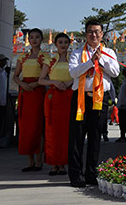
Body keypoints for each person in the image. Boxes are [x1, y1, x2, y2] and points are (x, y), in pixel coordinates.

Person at [68, 20, 120, 187]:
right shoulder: (77, 53)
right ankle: (76, 175)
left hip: (100, 99)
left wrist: (100, 60)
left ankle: (91, 173)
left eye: (97, 32)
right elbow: (73, 72)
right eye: (90, 31)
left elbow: (115, 72)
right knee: (77, 137)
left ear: (102, 34)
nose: (94, 35)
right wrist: (91, 61)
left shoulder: (109, 52)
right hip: (81, 98)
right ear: (86, 34)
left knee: (95, 136)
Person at [12, 28, 49, 172]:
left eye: (37, 37)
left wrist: (34, 84)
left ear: (41, 39)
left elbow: (46, 76)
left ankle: (39, 161)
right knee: (26, 127)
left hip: (38, 92)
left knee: (37, 126)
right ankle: (30, 161)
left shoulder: (45, 57)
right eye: (31, 37)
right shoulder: (23, 57)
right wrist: (22, 85)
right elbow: (15, 76)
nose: (34, 40)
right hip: (25, 93)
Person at [39, 33, 73, 176]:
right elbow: (41, 80)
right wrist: (54, 82)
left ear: (69, 44)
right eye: (60, 42)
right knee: (52, 130)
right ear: (55, 44)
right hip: (53, 97)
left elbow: (79, 76)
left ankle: (63, 163)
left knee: (66, 131)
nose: (63, 45)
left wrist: (70, 82)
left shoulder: (73, 60)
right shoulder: (50, 60)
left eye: (66, 42)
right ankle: (53, 164)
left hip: (69, 96)